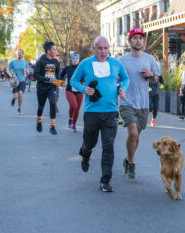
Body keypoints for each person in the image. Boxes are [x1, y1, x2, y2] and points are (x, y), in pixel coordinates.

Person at [71, 36, 130, 192]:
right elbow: (74, 81)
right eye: (100, 48)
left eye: (106, 48)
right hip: (92, 112)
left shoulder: (116, 63)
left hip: (111, 112)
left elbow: (126, 78)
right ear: (94, 48)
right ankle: (85, 152)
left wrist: (123, 88)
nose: (103, 51)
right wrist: (84, 89)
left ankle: (105, 180)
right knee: (90, 142)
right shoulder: (85, 64)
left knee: (108, 146)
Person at [119, 28, 160, 179]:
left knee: (137, 136)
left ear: (143, 41)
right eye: (134, 38)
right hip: (126, 101)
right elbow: (114, 79)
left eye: (140, 38)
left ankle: (127, 159)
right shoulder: (121, 61)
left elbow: (156, 79)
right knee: (133, 132)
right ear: (129, 42)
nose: (138, 40)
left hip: (143, 103)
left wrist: (151, 75)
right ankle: (131, 163)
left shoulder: (150, 59)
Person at [33, 41, 60, 135]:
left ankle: (52, 126)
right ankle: (39, 121)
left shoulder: (55, 61)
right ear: (48, 51)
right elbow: (35, 75)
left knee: (53, 103)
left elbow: (58, 73)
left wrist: (59, 80)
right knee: (41, 107)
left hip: (51, 87)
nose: (55, 51)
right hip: (41, 88)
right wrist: (47, 79)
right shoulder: (40, 62)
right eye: (54, 49)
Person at [61, 53, 83, 132]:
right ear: (71, 60)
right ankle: (70, 118)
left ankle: (74, 124)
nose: (75, 60)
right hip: (69, 90)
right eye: (73, 59)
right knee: (74, 105)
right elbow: (61, 75)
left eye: (76, 59)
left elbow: (86, 77)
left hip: (79, 90)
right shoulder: (68, 68)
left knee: (77, 109)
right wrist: (62, 82)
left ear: (78, 60)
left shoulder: (81, 68)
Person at [8, 49, 29, 115]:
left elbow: (28, 73)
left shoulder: (25, 62)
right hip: (15, 81)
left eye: (20, 53)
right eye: (18, 53)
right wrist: (10, 74)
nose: (19, 54)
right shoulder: (12, 62)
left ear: (22, 54)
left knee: (20, 94)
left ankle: (19, 108)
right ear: (16, 54)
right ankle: (13, 99)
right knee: (16, 96)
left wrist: (26, 71)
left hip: (22, 81)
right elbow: (8, 69)